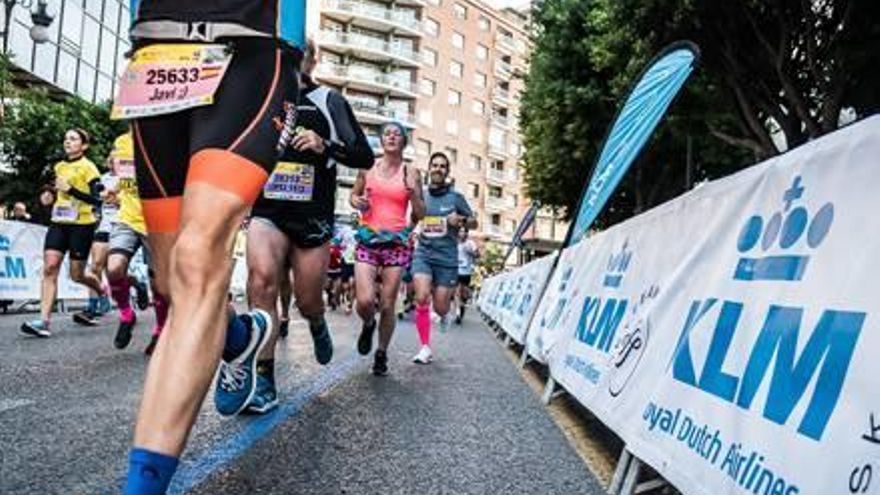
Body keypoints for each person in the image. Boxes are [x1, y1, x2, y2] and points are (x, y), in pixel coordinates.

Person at [120, 1, 302, 492]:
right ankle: (239, 337)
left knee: (197, 257)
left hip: (252, 47)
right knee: (169, 280)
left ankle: (142, 486)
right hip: (157, 55)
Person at [242, 39, 374, 414]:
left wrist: (325, 143)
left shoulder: (330, 101)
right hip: (268, 209)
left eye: (304, 54)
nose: (295, 61)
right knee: (261, 281)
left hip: (311, 216)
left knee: (307, 300)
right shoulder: (261, 99)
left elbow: (363, 155)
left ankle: (316, 321)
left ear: (314, 60)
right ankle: (263, 379)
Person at [351, 122, 425, 376]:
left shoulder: (412, 172)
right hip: (368, 239)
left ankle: (381, 353)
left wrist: (413, 194)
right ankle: (368, 323)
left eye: (397, 134)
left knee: (387, 304)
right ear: (381, 141)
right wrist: (356, 201)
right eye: (387, 134)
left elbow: (420, 214)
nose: (391, 137)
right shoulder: (367, 167)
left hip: (396, 242)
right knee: (364, 301)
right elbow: (354, 195)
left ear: (404, 141)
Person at [20, 129, 107, 338]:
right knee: (50, 268)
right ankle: (43, 321)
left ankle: (102, 290)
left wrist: (72, 191)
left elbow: (98, 200)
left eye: (73, 139)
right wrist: (47, 196)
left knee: (77, 275)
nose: (68, 142)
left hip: (82, 225)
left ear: (84, 146)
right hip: (59, 223)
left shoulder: (89, 168)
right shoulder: (58, 166)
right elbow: (51, 191)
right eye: (66, 138)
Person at [410, 152, 477, 363]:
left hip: (447, 258)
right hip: (424, 253)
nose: (438, 169)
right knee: (421, 298)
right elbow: (414, 218)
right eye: (435, 165)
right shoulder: (423, 195)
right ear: (429, 169)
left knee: (440, 306)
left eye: (442, 166)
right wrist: (408, 233)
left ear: (447, 172)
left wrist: (461, 219)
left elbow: (474, 222)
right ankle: (425, 348)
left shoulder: (455, 198)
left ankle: (445, 313)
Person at [103, 132, 162, 354]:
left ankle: (160, 330)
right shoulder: (121, 141)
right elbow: (126, 176)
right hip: (127, 217)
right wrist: (114, 190)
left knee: (160, 285)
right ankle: (127, 314)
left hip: (157, 221)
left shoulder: (163, 137)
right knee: (114, 268)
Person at [455, 228, 479, 325]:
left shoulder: (470, 243)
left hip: (466, 272)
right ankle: (457, 313)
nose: (462, 233)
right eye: (460, 231)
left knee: (463, 295)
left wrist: (471, 253)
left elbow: (478, 255)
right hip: (455, 271)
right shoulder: (454, 243)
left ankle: (461, 308)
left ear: (467, 233)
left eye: (464, 232)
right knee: (457, 292)